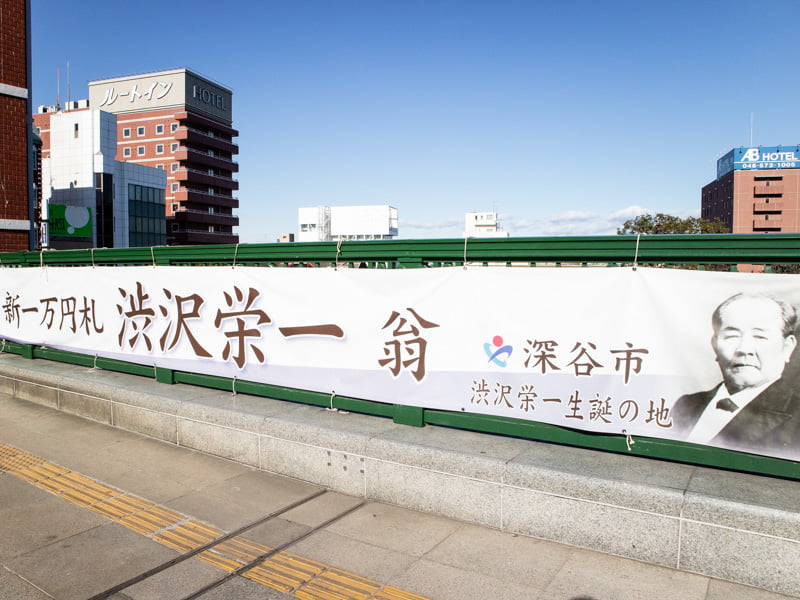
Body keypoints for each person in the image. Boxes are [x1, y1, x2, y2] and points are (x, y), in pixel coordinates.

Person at [671, 292, 800, 459]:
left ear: (787, 347)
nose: (744, 349)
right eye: (732, 336)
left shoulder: (796, 418)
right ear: (714, 345)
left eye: (760, 336)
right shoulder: (686, 404)